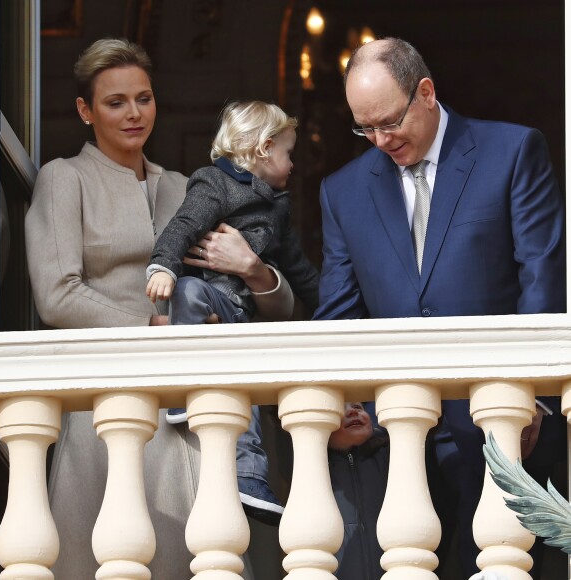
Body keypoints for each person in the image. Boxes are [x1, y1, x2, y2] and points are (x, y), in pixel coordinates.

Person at [24, 38, 296, 579]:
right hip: (105, 405)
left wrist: (252, 271)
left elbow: (282, 307)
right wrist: (153, 327)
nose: (133, 114)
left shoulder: (191, 185)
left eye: (143, 98)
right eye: (115, 101)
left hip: (193, 410)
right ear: (84, 110)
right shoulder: (65, 178)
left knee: (202, 560)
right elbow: (56, 295)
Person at [313, 37, 566, 579]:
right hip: (397, 435)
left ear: (425, 92)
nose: (380, 140)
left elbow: (542, 280)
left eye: (388, 122)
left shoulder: (513, 152)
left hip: (504, 427)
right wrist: (346, 403)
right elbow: (338, 314)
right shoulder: (343, 191)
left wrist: (534, 403)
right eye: (365, 128)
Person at [146, 100, 320, 524]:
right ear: (263, 149)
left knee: (244, 403)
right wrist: (163, 266)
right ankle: (183, 386)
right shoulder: (214, 183)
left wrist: (329, 305)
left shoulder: (277, 207)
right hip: (209, 298)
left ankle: (251, 479)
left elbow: (297, 268)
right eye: (287, 153)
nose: (292, 164)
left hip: (243, 314)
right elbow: (183, 226)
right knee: (188, 290)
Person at [328, 402, 388, 580]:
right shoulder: (318, 465)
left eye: (358, 407)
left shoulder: (388, 454)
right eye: (340, 409)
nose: (352, 411)